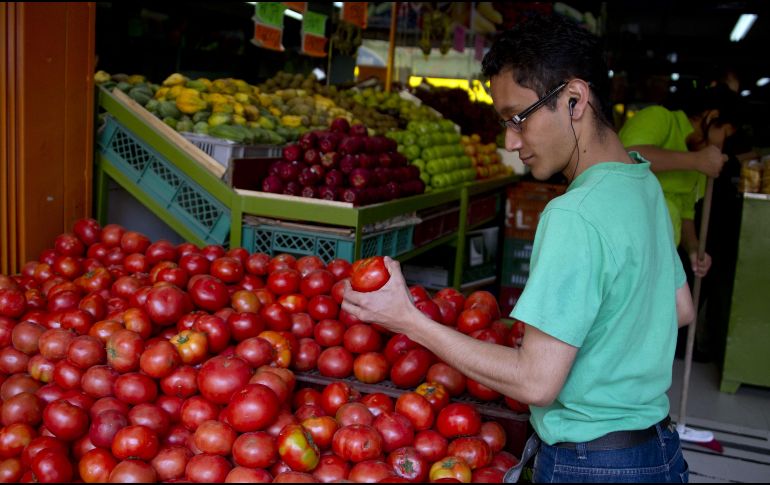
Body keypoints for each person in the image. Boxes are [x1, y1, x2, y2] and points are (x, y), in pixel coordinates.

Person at [343, 14, 695, 484]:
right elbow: (679, 307)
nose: (511, 142)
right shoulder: (642, 180)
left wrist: (406, 318)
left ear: (574, 100)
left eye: (518, 119)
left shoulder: (574, 215)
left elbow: (536, 383)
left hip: (593, 466)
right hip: (658, 452)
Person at [619, 84, 742, 279]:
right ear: (712, 116)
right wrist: (695, 161)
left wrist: (694, 249)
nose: (722, 145)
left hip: (660, 261)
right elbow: (628, 158)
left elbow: (685, 213)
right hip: (624, 250)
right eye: (725, 135)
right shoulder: (660, 118)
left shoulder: (700, 159)